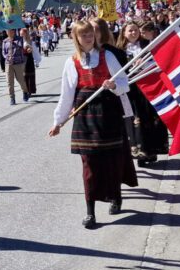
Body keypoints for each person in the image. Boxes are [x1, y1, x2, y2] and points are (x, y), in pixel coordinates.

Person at [48, 22, 136, 228]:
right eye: (83, 35)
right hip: (85, 115)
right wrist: (58, 122)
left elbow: (125, 84)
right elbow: (66, 95)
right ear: (76, 38)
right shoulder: (72, 62)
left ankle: (116, 197)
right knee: (89, 164)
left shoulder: (108, 56)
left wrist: (114, 85)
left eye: (90, 34)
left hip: (108, 112)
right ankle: (90, 211)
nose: (88, 38)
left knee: (112, 160)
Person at [116, 22, 168, 166]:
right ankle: (140, 154)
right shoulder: (119, 50)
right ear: (124, 33)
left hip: (149, 87)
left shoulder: (148, 46)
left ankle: (152, 152)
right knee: (136, 120)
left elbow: (158, 63)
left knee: (150, 119)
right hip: (131, 89)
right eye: (130, 31)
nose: (133, 33)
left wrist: (144, 64)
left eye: (135, 30)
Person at [2, 30, 29, 105]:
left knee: (21, 80)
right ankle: (12, 98)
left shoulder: (19, 39)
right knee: (9, 82)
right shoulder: (5, 41)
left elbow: (23, 46)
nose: (9, 32)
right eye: (8, 31)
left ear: (13, 32)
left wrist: (13, 42)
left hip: (18, 63)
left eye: (10, 31)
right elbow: (3, 52)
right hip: (8, 64)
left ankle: (25, 91)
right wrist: (7, 57)